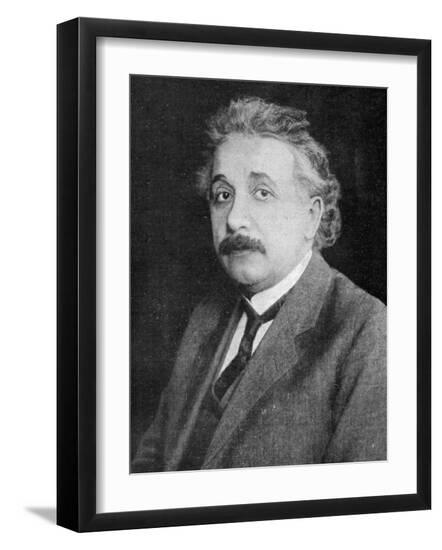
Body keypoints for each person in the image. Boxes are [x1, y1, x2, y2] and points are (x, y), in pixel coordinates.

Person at [132, 97, 386, 473]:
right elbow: (151, 463)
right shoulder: (205, 318)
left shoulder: (366, 330)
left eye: (262, 193)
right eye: (223, 195)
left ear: (311, 217)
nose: (234, 218)